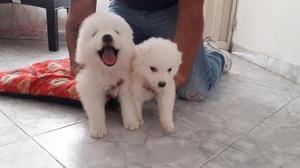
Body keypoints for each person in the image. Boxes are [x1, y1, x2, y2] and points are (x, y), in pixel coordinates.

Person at [66, 0, 232, 101]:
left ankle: (216, 55)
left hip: (172, 10)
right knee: (111, 85)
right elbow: (82, 5)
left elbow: (191, 13)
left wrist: (176, 76)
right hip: (124, 7)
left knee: (193, 90)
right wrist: (78, 62)